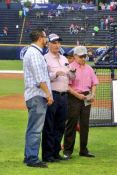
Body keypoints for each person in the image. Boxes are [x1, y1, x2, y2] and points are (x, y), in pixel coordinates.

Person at [42, 34, 76, 162]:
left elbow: (72, 78)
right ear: (48, 44)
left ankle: (56, 153)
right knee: (49, 126)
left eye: (58, 43)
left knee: (60, 126)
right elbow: (43, 77)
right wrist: (55, 74)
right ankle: (47, 155)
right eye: (54, 43)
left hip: (64, 96)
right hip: (52, 95)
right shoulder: (44, 58)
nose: (57, 45)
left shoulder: (64, 59)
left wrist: (72, 72)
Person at [23, 29, 53, 168]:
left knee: (32, 128)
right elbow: (39, 79)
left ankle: (29, 156)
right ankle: (32, 158)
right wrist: (48, 94)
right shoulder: (34, 53)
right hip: (37, 95)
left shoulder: (34, 52)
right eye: (45, 37)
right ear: (41, 38)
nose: (46, 40)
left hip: (34, 95)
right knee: (35, 129)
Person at [63, 46, 98, 159]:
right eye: (81, 56)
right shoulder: (70, 68)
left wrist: (92, 94)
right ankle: (68, 151)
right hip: (74, 97)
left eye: (85, 56)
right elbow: (66, 86)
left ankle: (84, 150)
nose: (83, 58)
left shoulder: (89, 68)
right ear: (75, 56)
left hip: (86, 97)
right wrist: (77, 95)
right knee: (71, 124)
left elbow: (94, 83)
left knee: (85, 125)